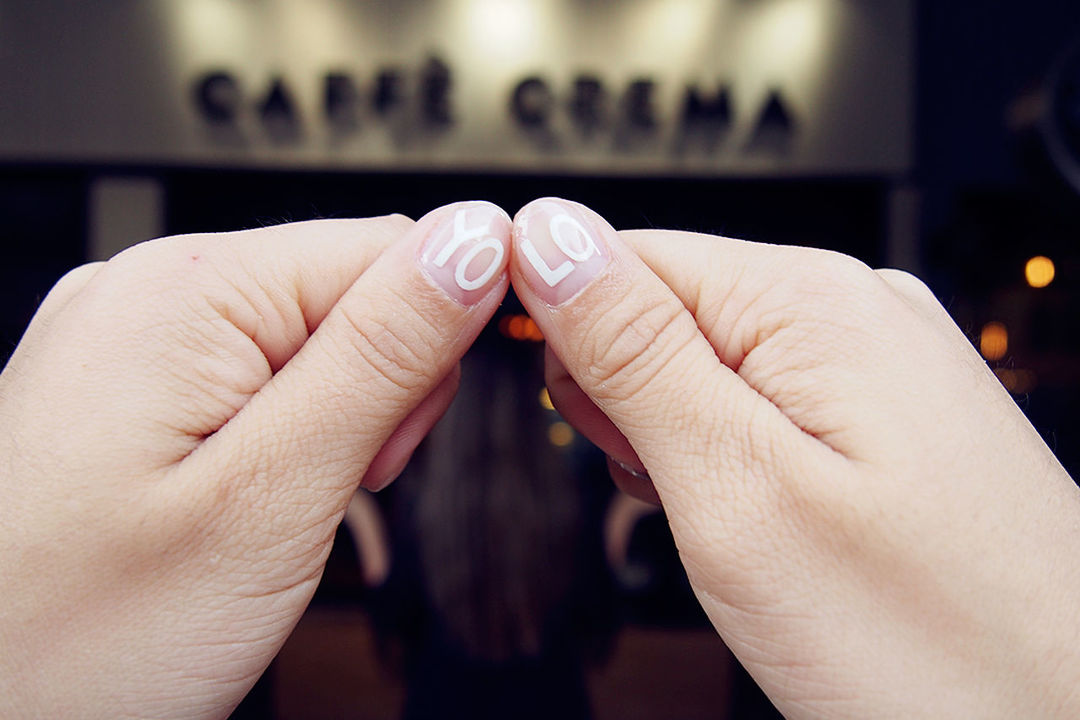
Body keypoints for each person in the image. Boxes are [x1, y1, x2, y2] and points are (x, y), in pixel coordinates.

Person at [0, 197, 1077, 719]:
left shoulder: (413, 500)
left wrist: (367, 538)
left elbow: (391, 629)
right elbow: (603, 634)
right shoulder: (571, 487)